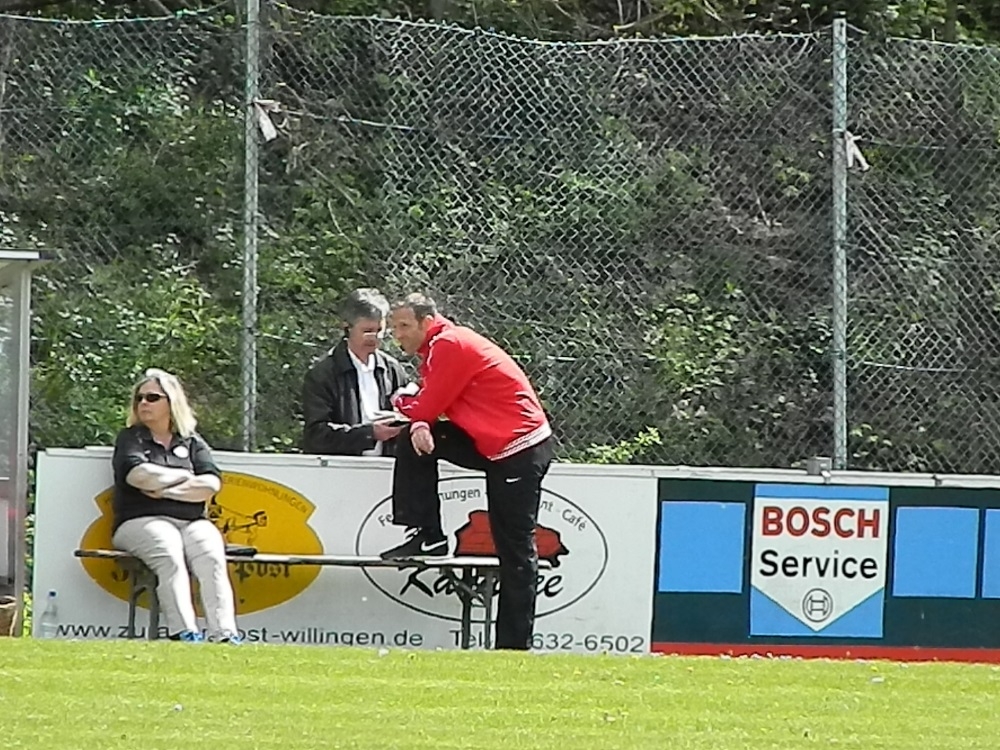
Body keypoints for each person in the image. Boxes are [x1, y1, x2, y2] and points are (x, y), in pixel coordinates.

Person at [380, 293, 554, 650]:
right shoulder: (436, 349)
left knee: (514, 549)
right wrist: (420, 422)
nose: (397, 334)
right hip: (491, 444)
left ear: (428, 322)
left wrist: (405, 405)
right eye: (394, 327)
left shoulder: (449, 344)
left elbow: (425, 404)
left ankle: (514, 647)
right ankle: (428, 535)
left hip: (519, 449)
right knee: (411, 440)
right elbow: (428, 407)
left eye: (404, 326)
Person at [111, 368, 240, 643]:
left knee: (211, 555)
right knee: (169, 551)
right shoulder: (131, 438)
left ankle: (225, 634)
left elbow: (210, 484)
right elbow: (138, 475)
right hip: (139, 520)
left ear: (171, 402)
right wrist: (185, 478)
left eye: (152, 398)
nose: (143, 403)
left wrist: (164, 489)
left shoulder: (191, 441)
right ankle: (184, 631)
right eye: (139, 398)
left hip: (191, 521)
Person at [302, 288, 410, 456]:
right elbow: (316, 436)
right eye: (367, 331)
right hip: (342, 467)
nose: (374, 337)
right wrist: (369, 433)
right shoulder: (323, 374)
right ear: (347, 327)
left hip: (387, 466)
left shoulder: (392, 370)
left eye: (379, 330)